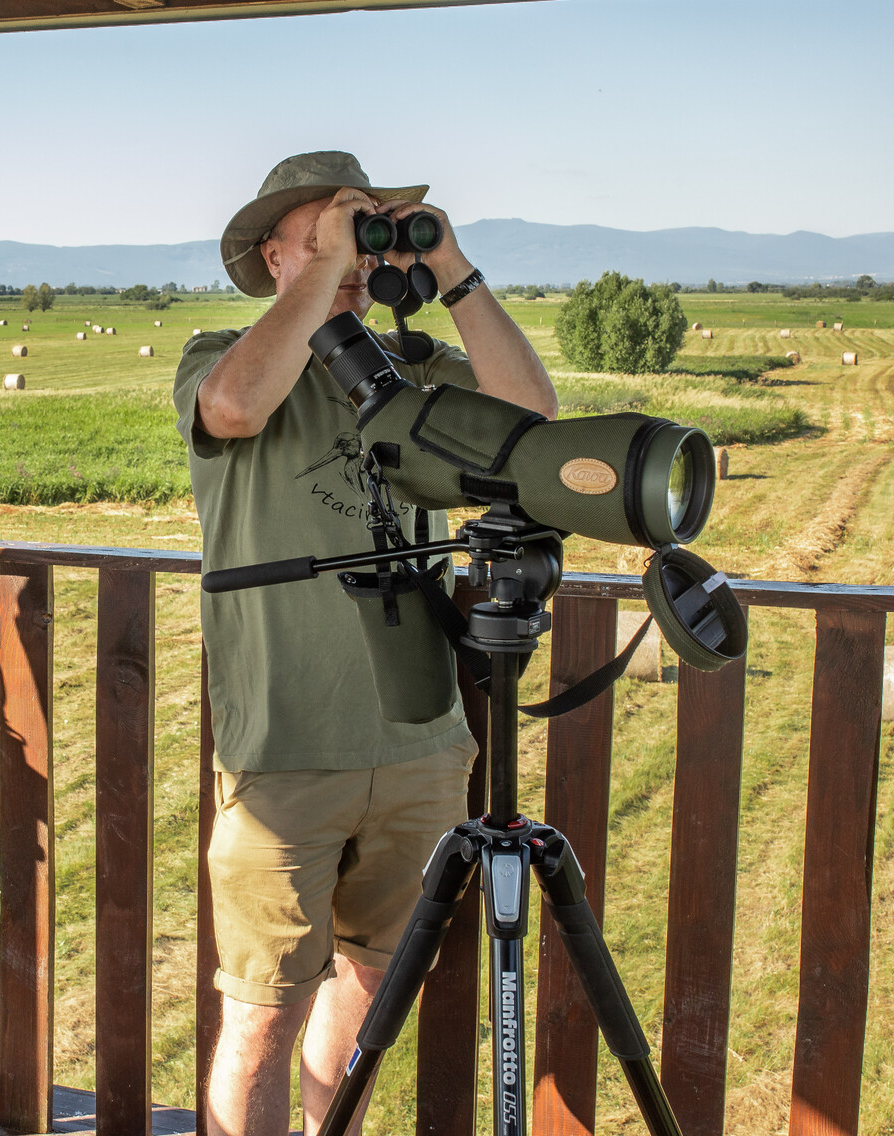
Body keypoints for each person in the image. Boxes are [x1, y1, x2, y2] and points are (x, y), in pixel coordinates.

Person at [175, 152, 558, 1136]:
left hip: (421, 739)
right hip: (285, 749)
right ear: (274, 256)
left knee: (378, 982)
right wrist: (325, 275)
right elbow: (233, 408)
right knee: (263, 1011)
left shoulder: (412, 374)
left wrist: (452, 268)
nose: (352, 256)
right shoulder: (221, 356)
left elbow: (531, 421)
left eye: (364, 234)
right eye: (323, 234)